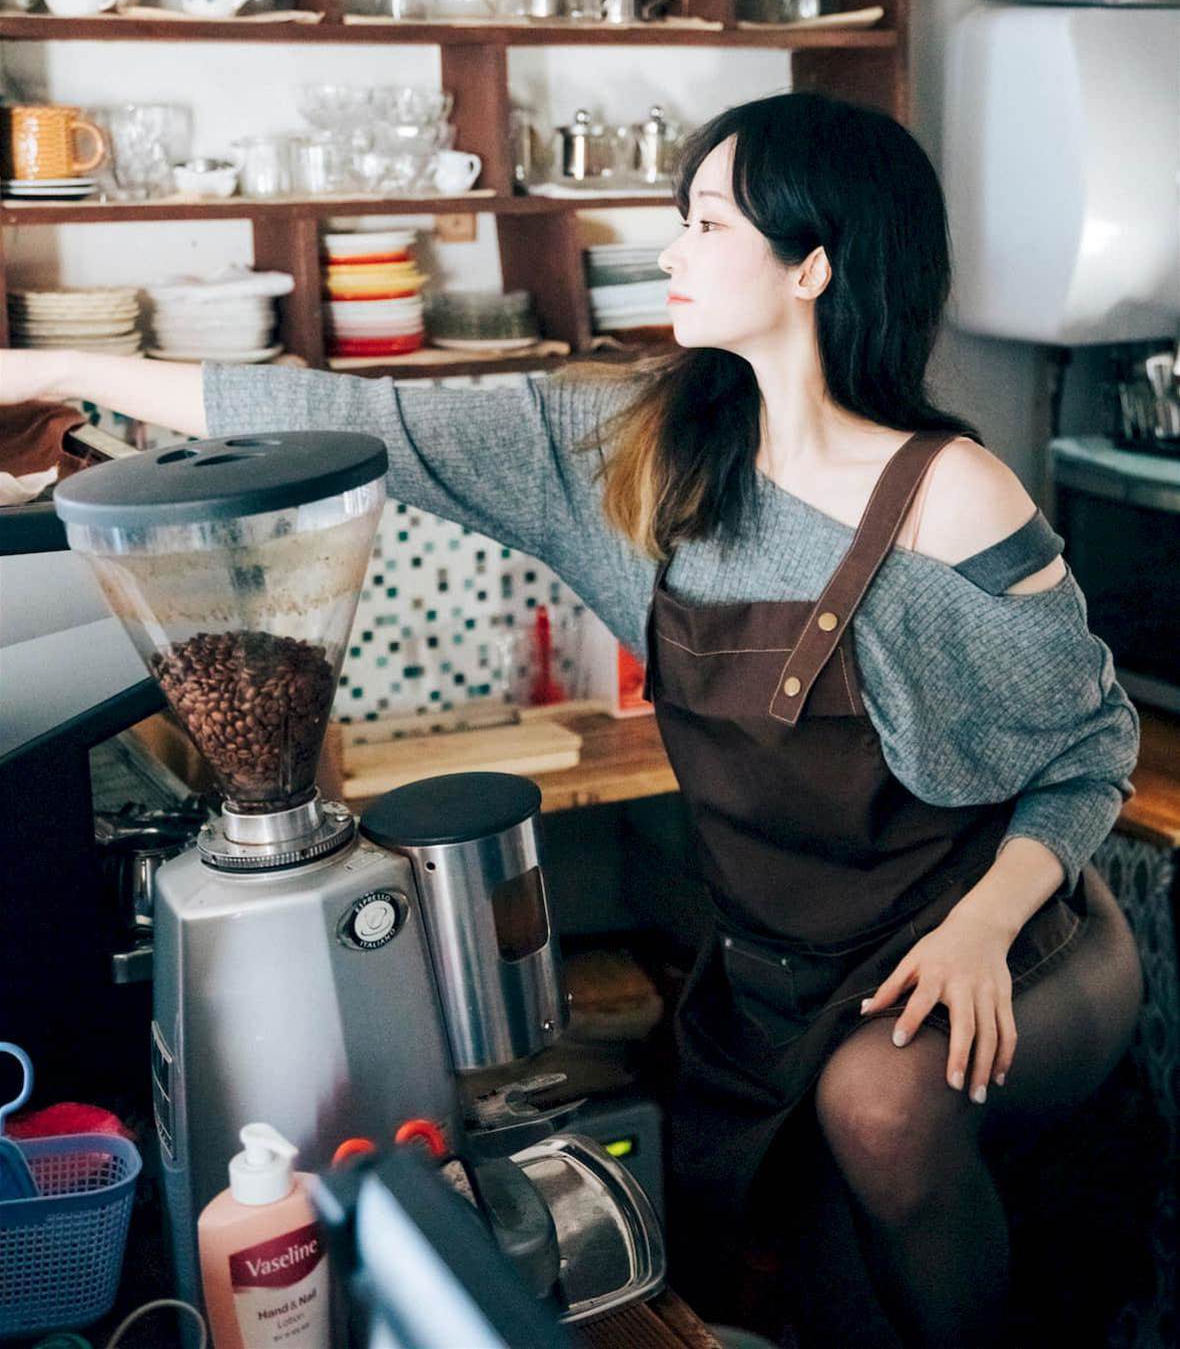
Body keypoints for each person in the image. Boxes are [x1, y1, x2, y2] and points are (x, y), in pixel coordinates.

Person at [0, 91, 1143, 1347]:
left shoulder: (951, 496)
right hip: (778, 978)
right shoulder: (635, 448)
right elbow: (351, 411)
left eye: (707, 223)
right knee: (804, 1294)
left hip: (1003, 940)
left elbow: (1091, 750)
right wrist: (48, 370)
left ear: (812, 265)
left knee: (879, 1112)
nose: (669, 250)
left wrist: (984, 925)